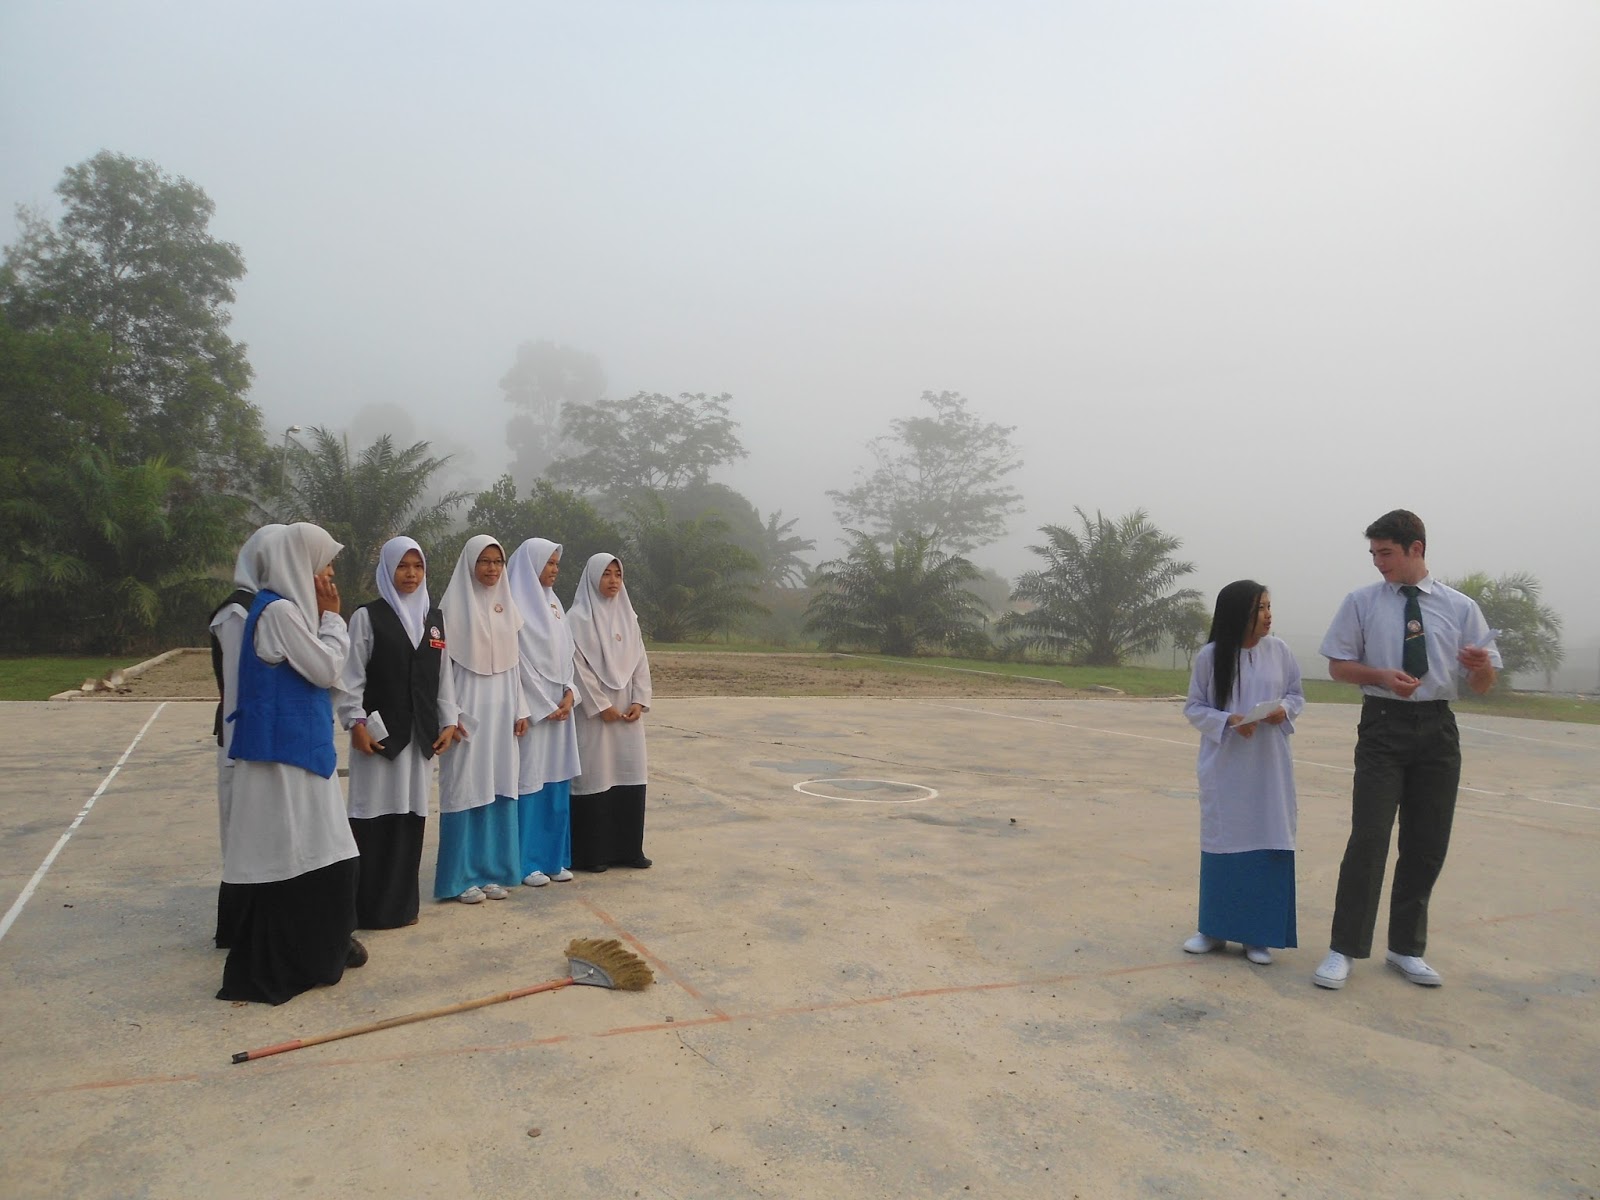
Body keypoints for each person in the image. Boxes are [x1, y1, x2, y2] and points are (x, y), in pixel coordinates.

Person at [1313, 509, 1500, 991]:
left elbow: (1482, 684)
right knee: (1369, 838)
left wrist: (1480, 666)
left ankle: (1405, 949)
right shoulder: (1361, 602)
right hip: (1383, 725)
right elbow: (1338, 666)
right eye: (1373, 553)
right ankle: (1343, 948)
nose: (1378, 562)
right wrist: (1379, 676)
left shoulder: (1460, 607)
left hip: (1438, 728)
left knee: (1427, 841)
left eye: (1386, 553)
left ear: (1416, 548)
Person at [218, 523, 365, 1004]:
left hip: (301, 751)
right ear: (301, 565)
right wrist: (334, 620)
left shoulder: (286, 610)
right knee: (300, 857)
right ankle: (308, 953)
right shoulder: (280, 610)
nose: (329, 574)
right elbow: (326, 669)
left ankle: (327, 945)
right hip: (283, 758)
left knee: (328, 854)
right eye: (324, 563)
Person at [336, 536, 459, 929]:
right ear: (388, 570)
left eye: (417, 567)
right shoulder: (367, 617)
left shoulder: (434, 619)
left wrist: (450, 721)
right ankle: (367, 909)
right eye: (403, 567)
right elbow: (350, 677)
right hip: (379, 738)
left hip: (420, 737)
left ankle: (402, 908)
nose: (410, 574)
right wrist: (354, 722)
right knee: (373, 817)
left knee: (410, 816)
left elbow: (443, 677)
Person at [1181, 581, 1305, 966]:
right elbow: (1194, 707)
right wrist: (1229, 720)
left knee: (1268, 837)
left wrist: (1283, 710)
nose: (1268, 615)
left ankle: (1258, 935)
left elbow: (1296, 695)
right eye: (1260, 609)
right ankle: (1213, 930)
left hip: (1269, 767)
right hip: (1226, 766)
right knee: (1224, 840)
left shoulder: (1279, 651)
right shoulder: (1210, 656)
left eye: (1269, 606)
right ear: (1238, 614)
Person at [434, 535, 530, 903]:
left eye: (497, 562)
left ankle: (493, 871)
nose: (491, 569)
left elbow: (514, 664)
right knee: (466, 787)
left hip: (502, 710)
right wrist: (449, 714)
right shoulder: (449, 612)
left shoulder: (508, 607)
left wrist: (521, 708)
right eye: (484, 561)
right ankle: (460, 878)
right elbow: (441, 671)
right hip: (467, 712)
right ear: (470, 564)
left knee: (498, 785)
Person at [207, 523, 281, 950]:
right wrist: (242, 750)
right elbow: (239, 688)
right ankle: (242, 929)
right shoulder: (238, 612)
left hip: (264, 740)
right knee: (242, 834)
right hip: (242, 741)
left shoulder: (273, 607)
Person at [568, 554, 653, 872]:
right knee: (595, 776)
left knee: (628, 773)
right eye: (606, 574)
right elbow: (575, 666)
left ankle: (629, 850)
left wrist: (639, 700)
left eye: (618, 574)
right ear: (591, 578)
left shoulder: (629, 619)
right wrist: (601, 705)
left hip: (627, 715)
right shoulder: (575, 620)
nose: (613, 580)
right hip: (596, 717)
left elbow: (641, 662)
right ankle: (593, 854)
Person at [506, 538, 580, 888]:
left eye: (556, 564)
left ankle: (553, 857)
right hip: (534, 712)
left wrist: (569, 692)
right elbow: (517, 661)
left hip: (560, 710)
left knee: (557, 779)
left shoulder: (555, 605)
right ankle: (527, 861)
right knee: (531, 780)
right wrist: (543, 706)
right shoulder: (515, 605)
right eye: (548, 563)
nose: (554, 570)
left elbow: (568, 655)